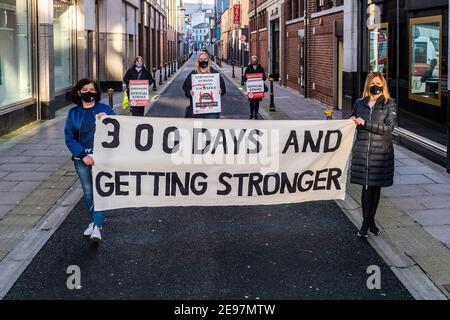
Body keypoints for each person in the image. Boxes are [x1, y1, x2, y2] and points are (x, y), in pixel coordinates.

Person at [64, 79, 115, 242]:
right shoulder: (73, 113)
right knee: (88, 192)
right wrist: (82, 155)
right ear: (79, 92)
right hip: (82, 159)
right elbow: (69, 137)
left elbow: (118, 127)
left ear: (96, 92)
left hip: (102, 158)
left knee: (99, 191)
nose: (89, 92)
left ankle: (97, 227)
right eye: (85, 90)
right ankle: (94, 222)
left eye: (92, 90)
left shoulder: (104, 109)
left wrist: (108, 119)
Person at [350, 72, 397, 238]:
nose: (376, 86)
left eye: (379, 83)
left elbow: (389, 127)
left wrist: (366, 123)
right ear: (368, 85)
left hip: (381, 154)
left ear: (383, 85)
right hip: (363, 152)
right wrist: (352, 120)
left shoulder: (389, 104)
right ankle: (365, 222)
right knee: (366, 187)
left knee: (375, 188)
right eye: (373, 83)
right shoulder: (359, 103)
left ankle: (371, 221)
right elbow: (353, 121)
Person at [182, 52, 226, 119]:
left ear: (208, 60)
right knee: (198, 128)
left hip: (212, 110)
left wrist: (221, 90)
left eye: (205, 59)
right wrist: (189, 92)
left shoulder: (214, 73)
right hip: (197, 108)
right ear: (198, 61)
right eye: (201, 59)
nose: (203, 61)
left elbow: (223, 87)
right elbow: (185, 86)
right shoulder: (194, 73)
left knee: (211, 128)